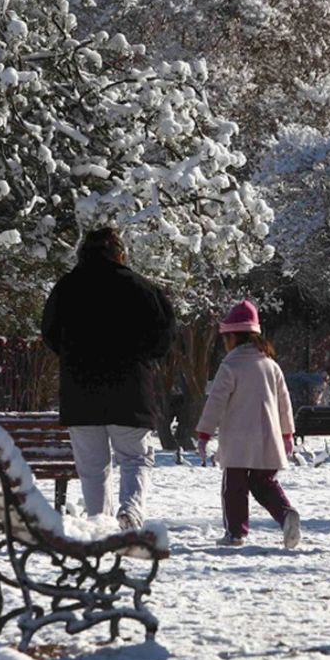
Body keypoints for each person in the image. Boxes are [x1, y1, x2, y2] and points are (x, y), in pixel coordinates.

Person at [40, 227, 176, 529]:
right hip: (129, 389)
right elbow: (164, 335)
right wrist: (142, 357)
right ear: (120, 253)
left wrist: (73, 355)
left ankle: (100, 524)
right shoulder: (141, 287)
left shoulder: (67, 287)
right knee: (135, 459)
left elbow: (49, 332)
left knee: (92, 468)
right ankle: (130, 512)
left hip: (80, 391)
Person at [195, 300, 300, 548]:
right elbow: (284, 404)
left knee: (234, 489)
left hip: (238, 442)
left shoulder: (230, 366)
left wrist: (204, 433)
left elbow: (216, 402)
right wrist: (287, 434)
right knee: (265, 484)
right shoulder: (271, 366)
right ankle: (286, 515)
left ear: (232, 337)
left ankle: (236, 533)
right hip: (268, 439)